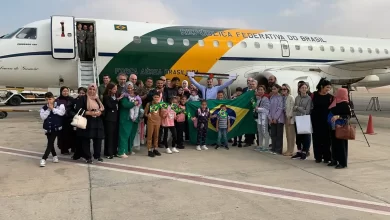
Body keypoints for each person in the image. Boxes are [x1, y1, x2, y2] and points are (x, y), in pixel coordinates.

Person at [75, 83, 105, 164]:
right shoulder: (83, 98)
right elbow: (78, 110)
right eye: (90, 89)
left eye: (94, 89)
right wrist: (89, 113)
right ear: (88, 90)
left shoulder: (97, 99)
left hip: (97, 121)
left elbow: (102, 109)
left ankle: (97, 156)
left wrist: (99, 113)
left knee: (98, 139)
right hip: (87, 121)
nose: (92, 91)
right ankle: (87, 156)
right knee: (85, 139)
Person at [39, 92, 66, 167]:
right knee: (50, 143)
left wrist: (53, 109)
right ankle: (52, 157)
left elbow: (62, 113)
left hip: (57, 127)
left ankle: (46, 158)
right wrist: (48, 109)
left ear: (53, 98)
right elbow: (43, 117)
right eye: (47, 99)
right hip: (48, 128)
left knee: (50, 143)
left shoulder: (60, 105)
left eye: (50, 99)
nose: (48, 101)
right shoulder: (44, 108)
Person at [311, 78, 334, 163]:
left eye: (329, 88)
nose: (328, 89)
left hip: (326, 121)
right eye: (327, 87)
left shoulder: (330, 97)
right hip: (315, 120)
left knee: (327, 140)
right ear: (321, 86)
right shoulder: (314, 95)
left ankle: (327, 157)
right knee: (316, 139)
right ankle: (318, 157)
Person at [328, 88, 352, 169]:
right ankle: (334, 159)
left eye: (337, 92)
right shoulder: (335, 101)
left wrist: (338, 116)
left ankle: (342, 162)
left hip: (341, 127)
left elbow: (348, 116)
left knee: (341, 145)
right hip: (333, 127)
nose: (335, 93)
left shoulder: (345, 104)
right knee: (334, 144)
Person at [291, 83, 312, 160]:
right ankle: (299, 151)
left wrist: (298, 108)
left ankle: (305, 152)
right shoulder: (297, 98)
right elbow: (294, 108)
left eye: (305, 88)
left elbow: (307, 111)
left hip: (305, 119)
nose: (304, 89)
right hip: (298, 119)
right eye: (302, 88)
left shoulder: (309, 98)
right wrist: (297, 108)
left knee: (306, 136)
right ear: (299, 89)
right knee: (298, 136)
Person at [103, 83, 123, 159]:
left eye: (116, 89)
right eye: (114, 89)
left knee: (115, 135)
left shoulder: (116, 95)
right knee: (109, 136)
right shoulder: (106, 97)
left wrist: (117, 99)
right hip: (109, 119)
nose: (116, 90)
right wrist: (117, 100)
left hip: (116, 118)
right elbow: (110, 106)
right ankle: (108, 152)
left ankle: (114, 151)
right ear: (110, 89)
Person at [117, 82, 137, 158]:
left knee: (128, 135)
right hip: (124, 119)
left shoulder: (132, 96)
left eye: (131, 88)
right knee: (123, 135)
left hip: (129, 119)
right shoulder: (123, 96)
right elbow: (125, 105)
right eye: (128, 88)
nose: (130, 89)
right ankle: (121, 152)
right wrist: (134, 103)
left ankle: (127, 150)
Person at [55, 86, 74, 155]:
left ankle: (72, 147)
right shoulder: (58, 100)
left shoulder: (71, 99)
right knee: (62, 135)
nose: (65, 92)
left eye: (67, 91)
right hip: (62, 120)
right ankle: (64, 149)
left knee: (71, 134)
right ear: (61, 92)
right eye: (64, 91)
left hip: (70, 119)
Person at [144, 91, 163, 157]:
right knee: (150, 136)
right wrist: (147, 115)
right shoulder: (149, 104)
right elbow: (145, 113)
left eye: (158, 97)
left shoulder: (160, 104)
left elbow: (161, 114)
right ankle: (149, 150)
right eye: (155, 97)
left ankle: (155, 148)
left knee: (156, 136)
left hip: (157, 121)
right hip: (151, 121)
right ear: (153, 97)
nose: (156, 98)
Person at [269, 84, 284, 155]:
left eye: (275, 89)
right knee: (273, 134)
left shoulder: (280, 97)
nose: (273, 90)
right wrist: (270, 118)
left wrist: (275, 118)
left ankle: (278, 150)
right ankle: (273, 148)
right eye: (272, 89)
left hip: (279, 119)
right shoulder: (271, 97)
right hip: (271, 119)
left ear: (278, 89)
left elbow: (280, 108)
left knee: (279, 135)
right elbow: (269, 108)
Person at [254, 85, 270, 152]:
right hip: (259, 116)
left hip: (264, 117)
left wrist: (258, 109)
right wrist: (256, 109)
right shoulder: (259, 98)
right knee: (259, 131)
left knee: (264, 131)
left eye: (261, 90)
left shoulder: (266, 98)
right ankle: (260, 145)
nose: (260, 91)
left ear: (264, 90)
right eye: (259, 90)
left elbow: (267, 109)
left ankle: (266, 146)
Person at [281, 84, 296, 156]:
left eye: (285, 89)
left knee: (291, 135)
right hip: (285, 117)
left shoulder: (291, 97)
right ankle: (288, 149)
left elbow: (292, 108)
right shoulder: (283, 97)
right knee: (287, 135)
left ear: (288, 90)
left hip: (290, 118)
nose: (283, 90)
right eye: (282, 89)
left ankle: (291, 150)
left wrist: (289, 117)